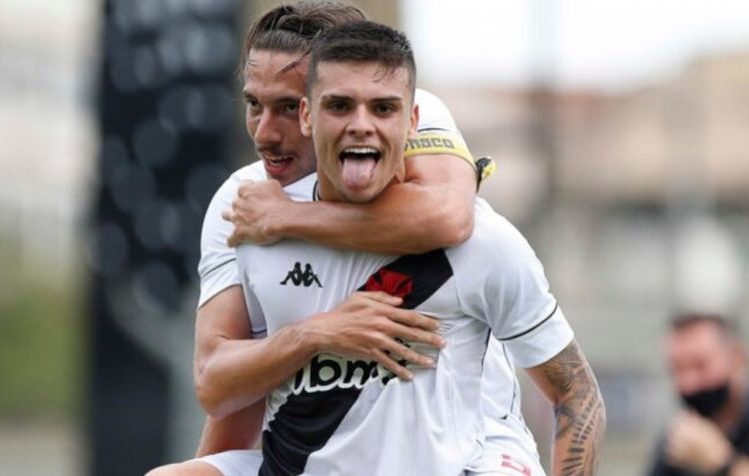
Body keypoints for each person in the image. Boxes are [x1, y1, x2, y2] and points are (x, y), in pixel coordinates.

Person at [145, 3, 539, 475]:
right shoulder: (242, 199)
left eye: (288, 108)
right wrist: (317, 332)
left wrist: (292, 217)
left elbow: (450, 217)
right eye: (254, 105)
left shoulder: (407, 110)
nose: (265, 134)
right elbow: (223, 387)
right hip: (323, 444)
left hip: (475, 441)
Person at [229, 20, 604, 475]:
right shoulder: (255, 230)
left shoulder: (480, 242)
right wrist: (313, 334)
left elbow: (578, 397)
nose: (361, 126)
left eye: (383, 108)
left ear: (412, 122)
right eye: (340, 106)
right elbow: (225, 396)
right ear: (307, 116)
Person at [648, 313, 749, 476]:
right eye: (677, 369)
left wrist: (724, 463)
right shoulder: (677, 441)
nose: (688, 384)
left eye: (700, 365)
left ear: (737, 358)